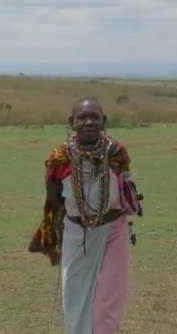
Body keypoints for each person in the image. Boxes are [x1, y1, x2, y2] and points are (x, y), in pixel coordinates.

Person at [28, 97, 143, 334]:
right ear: (72, 122)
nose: (89, 122)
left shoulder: (116, 153)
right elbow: (52, 199)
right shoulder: (60, 159)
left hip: (113, 230)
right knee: (76, 302)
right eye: (82, 117)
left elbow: (123, 185)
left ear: (104, 122)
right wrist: (50, 235)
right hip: (75, 234)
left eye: (95, 117)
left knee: (109, 301)